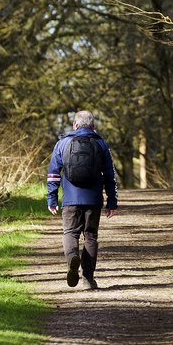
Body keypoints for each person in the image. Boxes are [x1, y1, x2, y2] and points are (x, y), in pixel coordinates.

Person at [46, 110, 118, 289]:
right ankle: (87, 279)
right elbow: (110, 175)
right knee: (90, 236)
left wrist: (52, 198)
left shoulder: (62, 143)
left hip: (70, 198)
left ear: (74, 125)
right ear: (93, 126)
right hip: (93, 199)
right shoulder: (101, 144)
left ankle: (72, 258)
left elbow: (54, 173)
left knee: (70, 233)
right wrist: (112, 201)